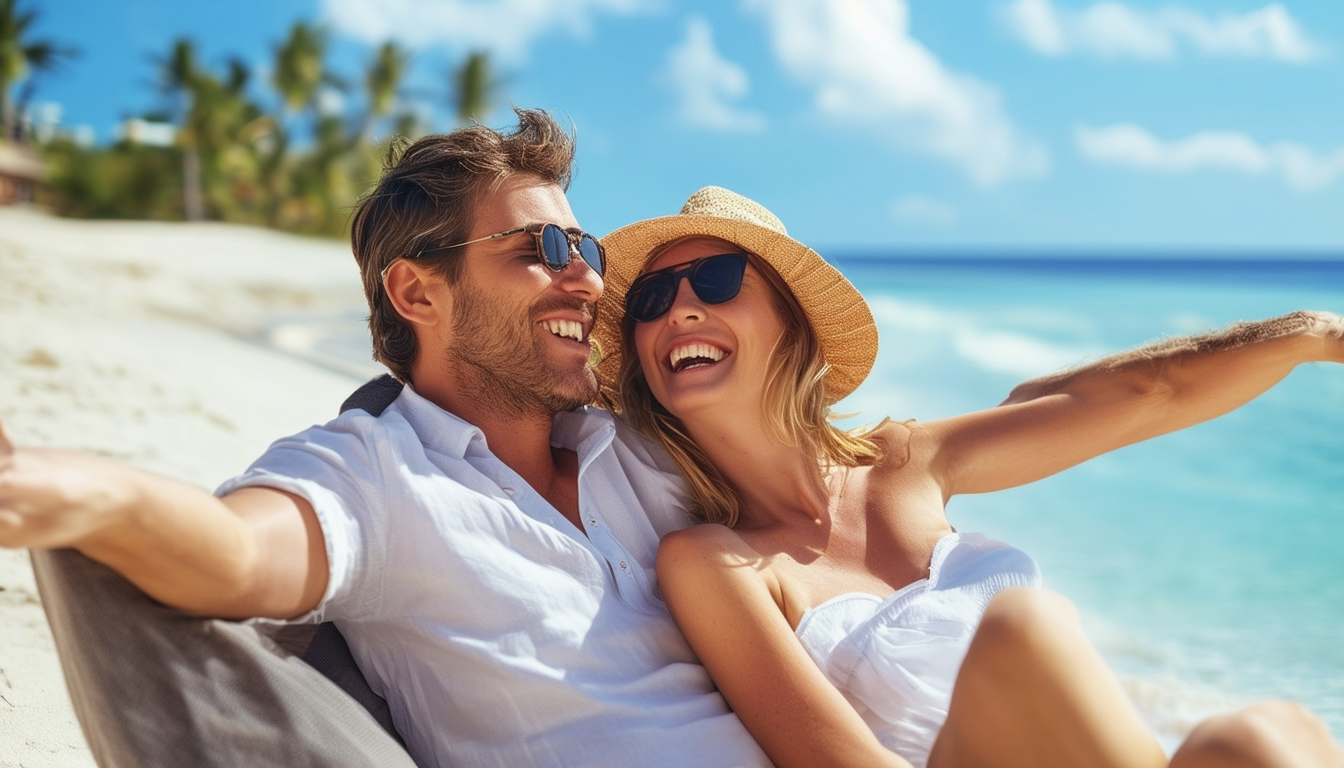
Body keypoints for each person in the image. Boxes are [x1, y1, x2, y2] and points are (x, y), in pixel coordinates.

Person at [0, 110, 768, 768]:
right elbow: (235, 553)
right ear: (415, 291)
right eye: (543, 251)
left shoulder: (643, 450)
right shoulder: (378, 473)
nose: (591, 283)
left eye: (587, 249)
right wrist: (75, 489)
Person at [590, 185, 1344, 768]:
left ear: (793, 322)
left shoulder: (905, 462)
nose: (680, 309)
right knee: (1023, 627)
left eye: (716, 280)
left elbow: (1150, 394)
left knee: (1259, 735)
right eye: (651, 300)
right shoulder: (715, 562)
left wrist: (1313, 334)